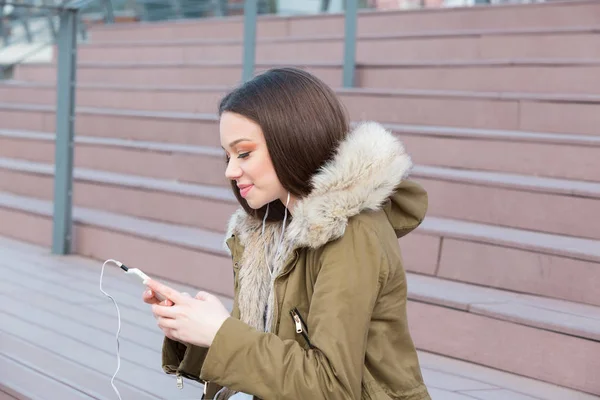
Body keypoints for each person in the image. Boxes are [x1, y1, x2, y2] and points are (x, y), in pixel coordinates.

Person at [143, 67, 431, 400]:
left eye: (245, 153)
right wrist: (192, 330)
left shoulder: (350, 233)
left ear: (292, 141)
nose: (230, 170)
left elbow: (330, 387)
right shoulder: (272, 231)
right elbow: (265, 357)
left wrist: (220, 332)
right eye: (227, 154)